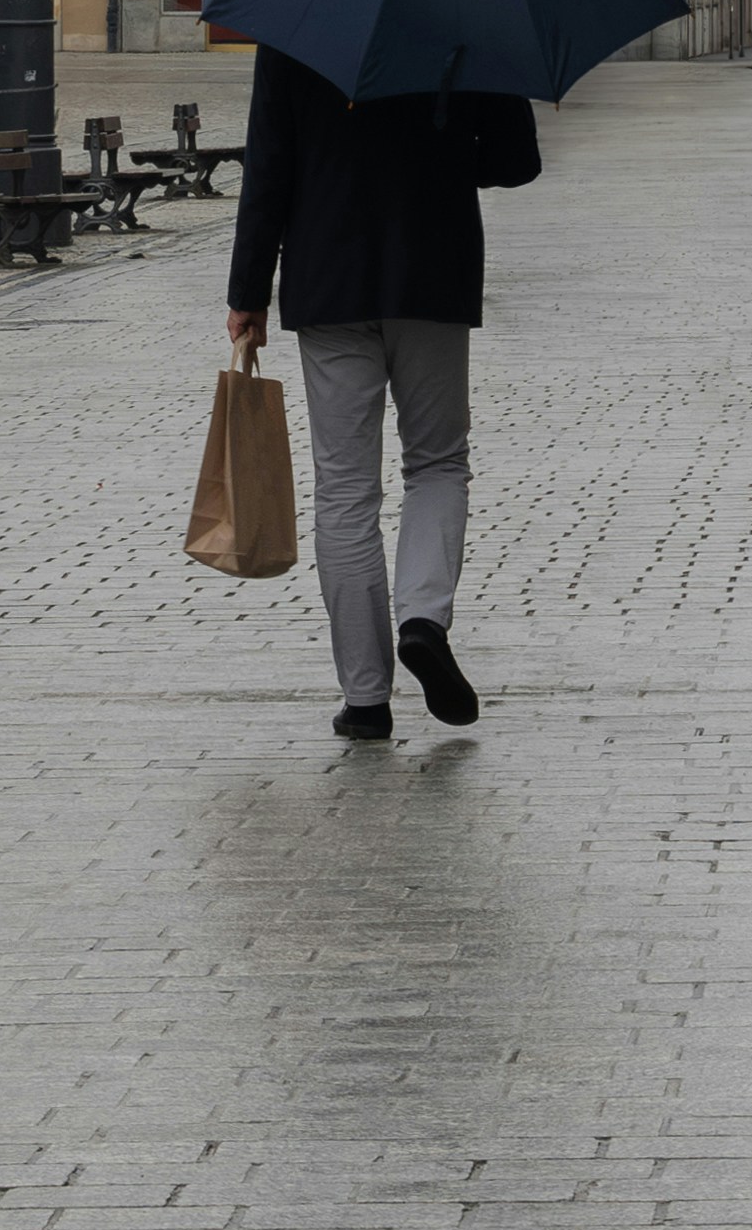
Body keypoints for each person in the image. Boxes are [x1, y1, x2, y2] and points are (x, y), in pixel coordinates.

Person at [226, 43, 541, 742]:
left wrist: (248, 291)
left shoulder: (296, 28)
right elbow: (517, 162)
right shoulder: (464, 19)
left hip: (327, 274)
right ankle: (422, 618)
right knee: (436, 462)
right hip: (433, 270)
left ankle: (365, 699)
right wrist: (456, 141)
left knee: (344, 488)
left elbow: (269, 163)